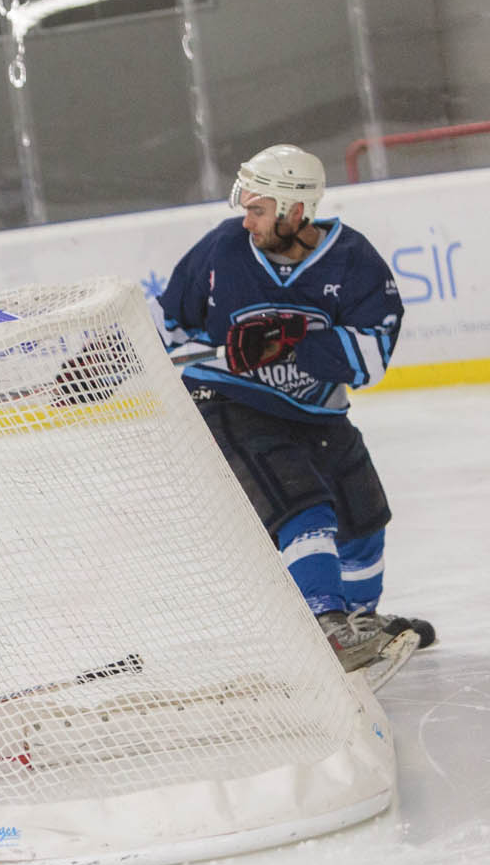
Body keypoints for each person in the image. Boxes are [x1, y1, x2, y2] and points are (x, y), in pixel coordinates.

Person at [157, 144, 431, 691]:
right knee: (303, 503)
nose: (247, 219)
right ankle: (326, 621)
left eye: (259, 210)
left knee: (364, 516)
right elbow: (170, 326)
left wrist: (292, 344)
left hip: (317, 410)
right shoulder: (222, 250)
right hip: (229, 400)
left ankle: (358, 619)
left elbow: (372, 358)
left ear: (295, 211)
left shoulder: (353, 261)